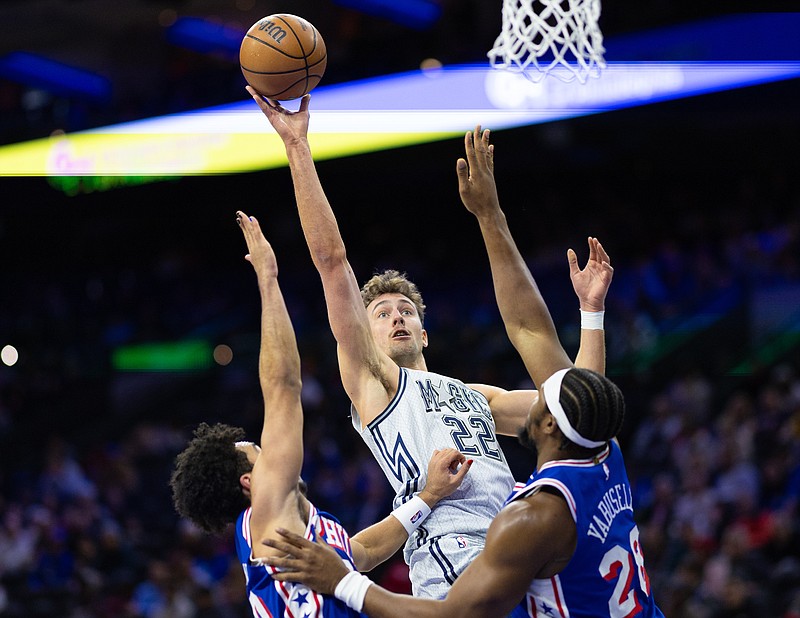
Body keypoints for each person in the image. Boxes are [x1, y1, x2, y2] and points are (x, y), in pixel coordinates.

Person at [256, 127, 665, 617]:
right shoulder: (377, 384)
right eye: (381, 313)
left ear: (425, 333)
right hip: (453, 574)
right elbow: (331, 261)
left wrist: (590, 312)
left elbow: (577, 407)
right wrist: (298, 147)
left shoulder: (478, 397)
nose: (397, 317)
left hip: (518, 560)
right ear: (364, 337)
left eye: (405, 310)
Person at [169, 211, 471, 617]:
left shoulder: (295, 521)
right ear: (248, 481)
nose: (270, 451)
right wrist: (268, 280)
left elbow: (361, 551)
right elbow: (281, 388)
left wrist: (428, 497)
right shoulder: (267, 507)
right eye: (258, 452)